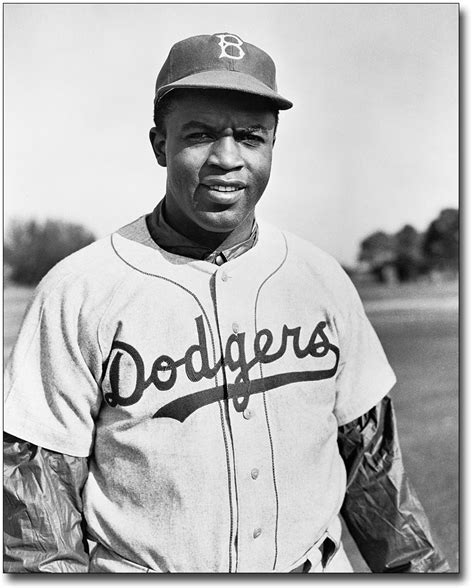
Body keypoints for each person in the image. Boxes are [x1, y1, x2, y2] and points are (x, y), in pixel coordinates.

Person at [4, 32, 449, 574]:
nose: (227, 158)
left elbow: (375, 472)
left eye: (250, 136)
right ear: (159, 144)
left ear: (272, 144)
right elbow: (36, 515)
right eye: (200, 134)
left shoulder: (320, 279)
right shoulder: (79, 290)